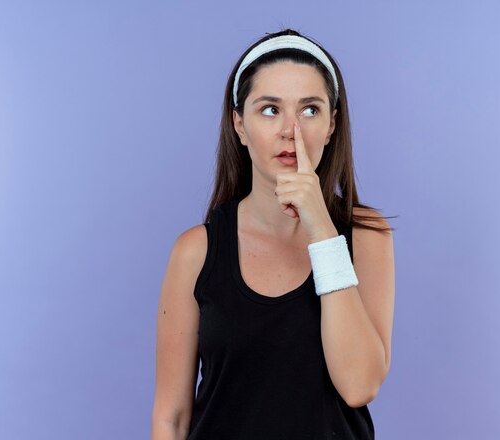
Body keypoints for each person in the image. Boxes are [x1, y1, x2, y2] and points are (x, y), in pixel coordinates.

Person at [151, 28, 396, 440]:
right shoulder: (196, 251)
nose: (290, 130)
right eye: (269, 110)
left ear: (332, 124)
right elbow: (171, 417)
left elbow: (359, 385)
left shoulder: (366, 236)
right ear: (239, 125)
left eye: (310, 110)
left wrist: (320, 227)